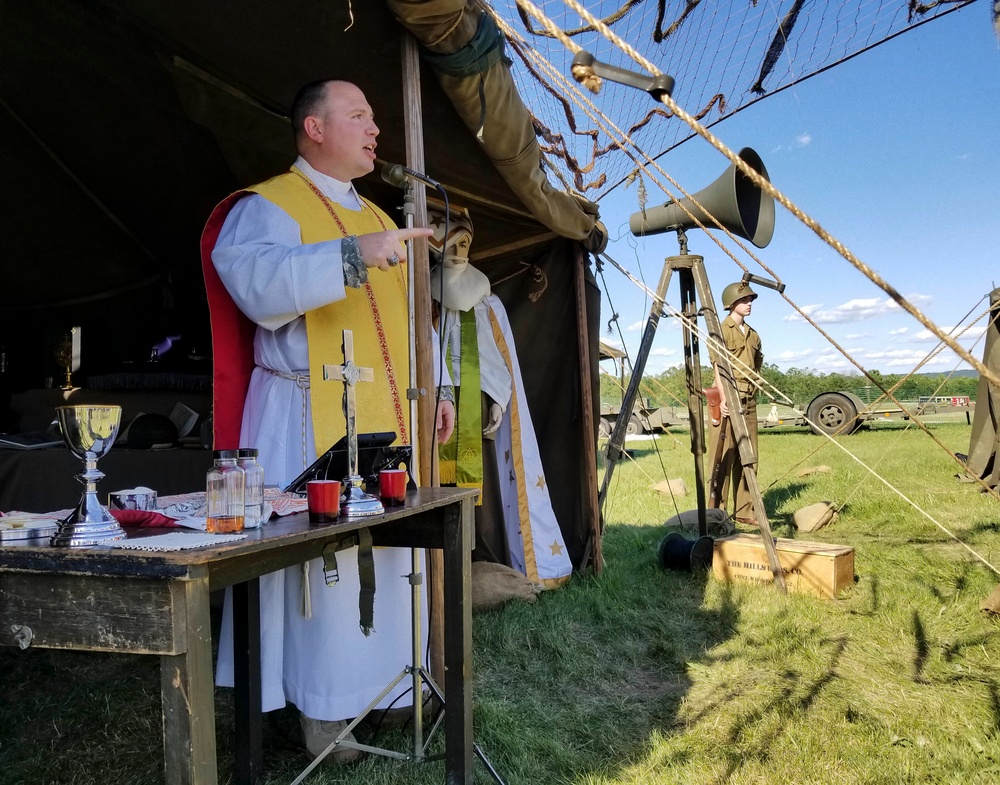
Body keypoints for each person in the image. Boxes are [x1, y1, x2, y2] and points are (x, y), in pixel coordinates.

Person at [200, 78, 455, 764]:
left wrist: (436, 389)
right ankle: (323, 711)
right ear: (314, 128)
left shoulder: (378, 213)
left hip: (385, 414)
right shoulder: (269, 205)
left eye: (375, 118)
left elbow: (412, 319)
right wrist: (349, 258)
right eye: (359, 116)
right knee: (323, 563)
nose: (376, 129)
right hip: (300, 411)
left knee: (396, 552)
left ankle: (398, 692)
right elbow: (254, 285)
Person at [428, 202, 572, 587]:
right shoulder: (424, 296)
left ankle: (483, 556)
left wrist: (497, 398)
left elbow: (498, 357)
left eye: (465, 244)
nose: (460, 251)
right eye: (452, 243)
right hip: (433, 404)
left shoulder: (485, 299)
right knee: (437, 482)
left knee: (481, 485)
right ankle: (442, 559)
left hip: (473, 401)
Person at [708, 281, 763, 525]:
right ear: (731, 304)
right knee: (723, 457)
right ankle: (717, 512)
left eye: (750, 300)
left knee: (748, 456)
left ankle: (745, 510)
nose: (749, 304)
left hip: (748, 400)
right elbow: (718, 368)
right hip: (728, 399)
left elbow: (756, 366)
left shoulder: (753, 334)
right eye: (744, 300)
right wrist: (722, 399)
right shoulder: (721, 330)